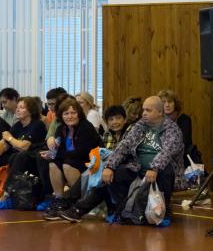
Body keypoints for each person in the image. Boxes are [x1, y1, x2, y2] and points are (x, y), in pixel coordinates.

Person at [102, 96, 186, 226]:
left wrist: (154, 168)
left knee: (165, 171)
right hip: (138, 167)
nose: (144, 113)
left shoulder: (172, 129)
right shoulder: (140, 126)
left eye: (148, 110)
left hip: (163, 170)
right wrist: (109, 166)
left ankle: (164, 212)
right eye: (143, 110)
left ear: (160, 112)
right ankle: (123, 211)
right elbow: (125, 145)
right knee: (116, 174)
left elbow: (167, 152)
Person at [59, 105, 131, 223]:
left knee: (101, 177)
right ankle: (68, 203)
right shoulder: (107, 135)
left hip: (124, 168)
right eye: (111, 119)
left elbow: (126, 156)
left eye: (118, 118)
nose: (115, 122)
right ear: (107, 122)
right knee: (89, 172)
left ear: (125, 119)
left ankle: (74, 207)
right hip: (108, 167)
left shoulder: (130, 133)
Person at [42, 97, 103, 220]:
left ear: (79, 114)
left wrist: (58, 154)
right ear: (61, 116)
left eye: (73, 113)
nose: (70, 116)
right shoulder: (61, 128)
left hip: (90, 163)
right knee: (53, 164)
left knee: (67, 164)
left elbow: (81, 152)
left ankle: (75, 202)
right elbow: (59, 150)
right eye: (66, 113)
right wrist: (52, 153)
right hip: (72, 159)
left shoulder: (86, 127)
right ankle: (59, 201)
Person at [0, 97, 47, 209]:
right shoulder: (18, 125)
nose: (17, 110)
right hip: (20, 159)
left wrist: (10, 138)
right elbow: (3, 144)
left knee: (18, 156)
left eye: (22, 107)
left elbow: (24, 147)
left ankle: (6, 196)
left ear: (31, 111)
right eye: (17, 107)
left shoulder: (37, 124)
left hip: (36, 159)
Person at [157, 89, 199, 163]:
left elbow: (184, 142)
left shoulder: (184, 119)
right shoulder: (156, 120)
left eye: (170, 102)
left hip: (181, 158)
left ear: (175, 104)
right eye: (164, 102)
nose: (167, 105)